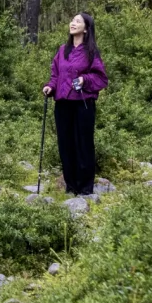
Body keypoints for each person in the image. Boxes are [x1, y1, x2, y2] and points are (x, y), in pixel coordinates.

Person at [42, 11, 107, 196]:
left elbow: (101, 78)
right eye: (72, 20)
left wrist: (85, 80)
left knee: (83, 143)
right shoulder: (62, 50)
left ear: (86, 29)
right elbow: (56, 75)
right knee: (65, 143)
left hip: (83, 103)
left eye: (77, 21)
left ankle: (85, 188)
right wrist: (50, 87)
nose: (73, 23)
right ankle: (70, 186)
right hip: (63, 103)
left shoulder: (91, 52)